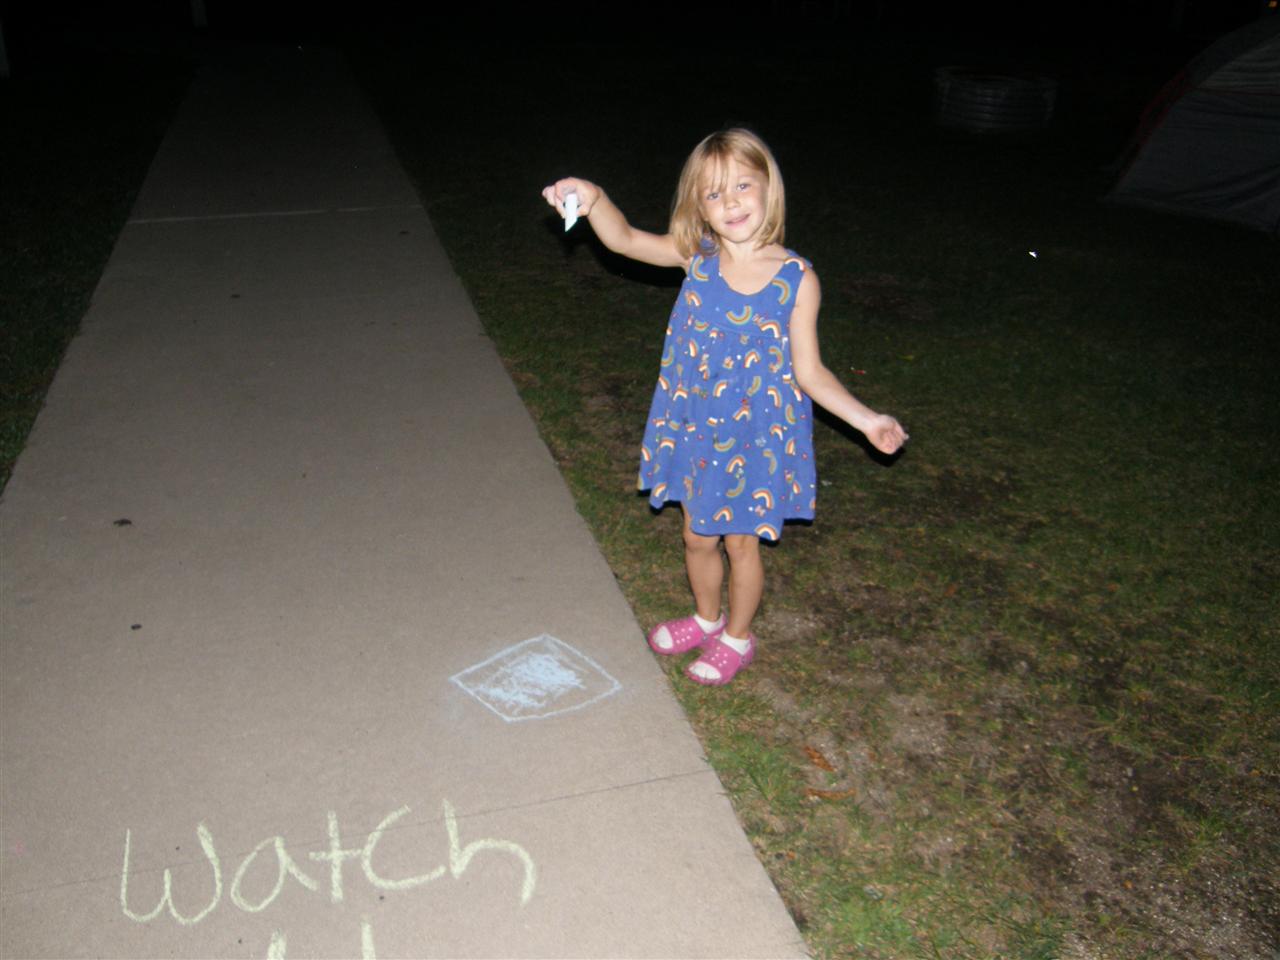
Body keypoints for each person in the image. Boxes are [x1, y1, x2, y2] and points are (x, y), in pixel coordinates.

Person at [542, 128, 906, 686]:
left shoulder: (796, 280)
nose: (730, 202)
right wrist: (594, 199)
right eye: (714, 193)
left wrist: (868, 420)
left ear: (768, 189)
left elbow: (810, 372)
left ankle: (737, 636)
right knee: (696, 535)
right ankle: (705, 618)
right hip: (695, 426)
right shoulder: (697, 256)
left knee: (740, 543)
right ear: (700, 206)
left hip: (755, 437)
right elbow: (625, 241)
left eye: (741, 186)